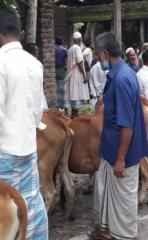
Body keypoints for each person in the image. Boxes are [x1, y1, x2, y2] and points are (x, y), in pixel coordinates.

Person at [91, 32, 148, 240]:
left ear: (105, 53)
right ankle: (107, 231)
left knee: (124, 204)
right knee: (105, 194)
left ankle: (125, 236)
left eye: (98, 55)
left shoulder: (122, 79)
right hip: (111, 151)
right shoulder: (120, 73)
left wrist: (121, 159)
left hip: (122, 155)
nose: (98, 59)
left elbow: (126, 125)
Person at [0, 11, 48, 239]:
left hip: (5, 155)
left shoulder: (1, 63)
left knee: (6, 218)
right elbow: (39, 111)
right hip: (29, 149)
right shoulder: (35, 64)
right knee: (30, 208)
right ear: (19, 34)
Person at [67, 31, 89, 118]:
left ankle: (73, 115)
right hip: (77, 75)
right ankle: (76, 118)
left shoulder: (70, 49)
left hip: (72, 75)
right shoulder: (78, 48)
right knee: (78, 95)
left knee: (74, 94)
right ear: (80, 39)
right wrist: (84, 75)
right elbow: (80, 62)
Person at [55, 36, 70, 114]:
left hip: (55, 71)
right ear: (62, 42)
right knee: (64, 91)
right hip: (62, 71)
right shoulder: (65, 50)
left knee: (57, 91)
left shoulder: (53, 50)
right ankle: (66, 111)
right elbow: (66, 62)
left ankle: (58, 110)